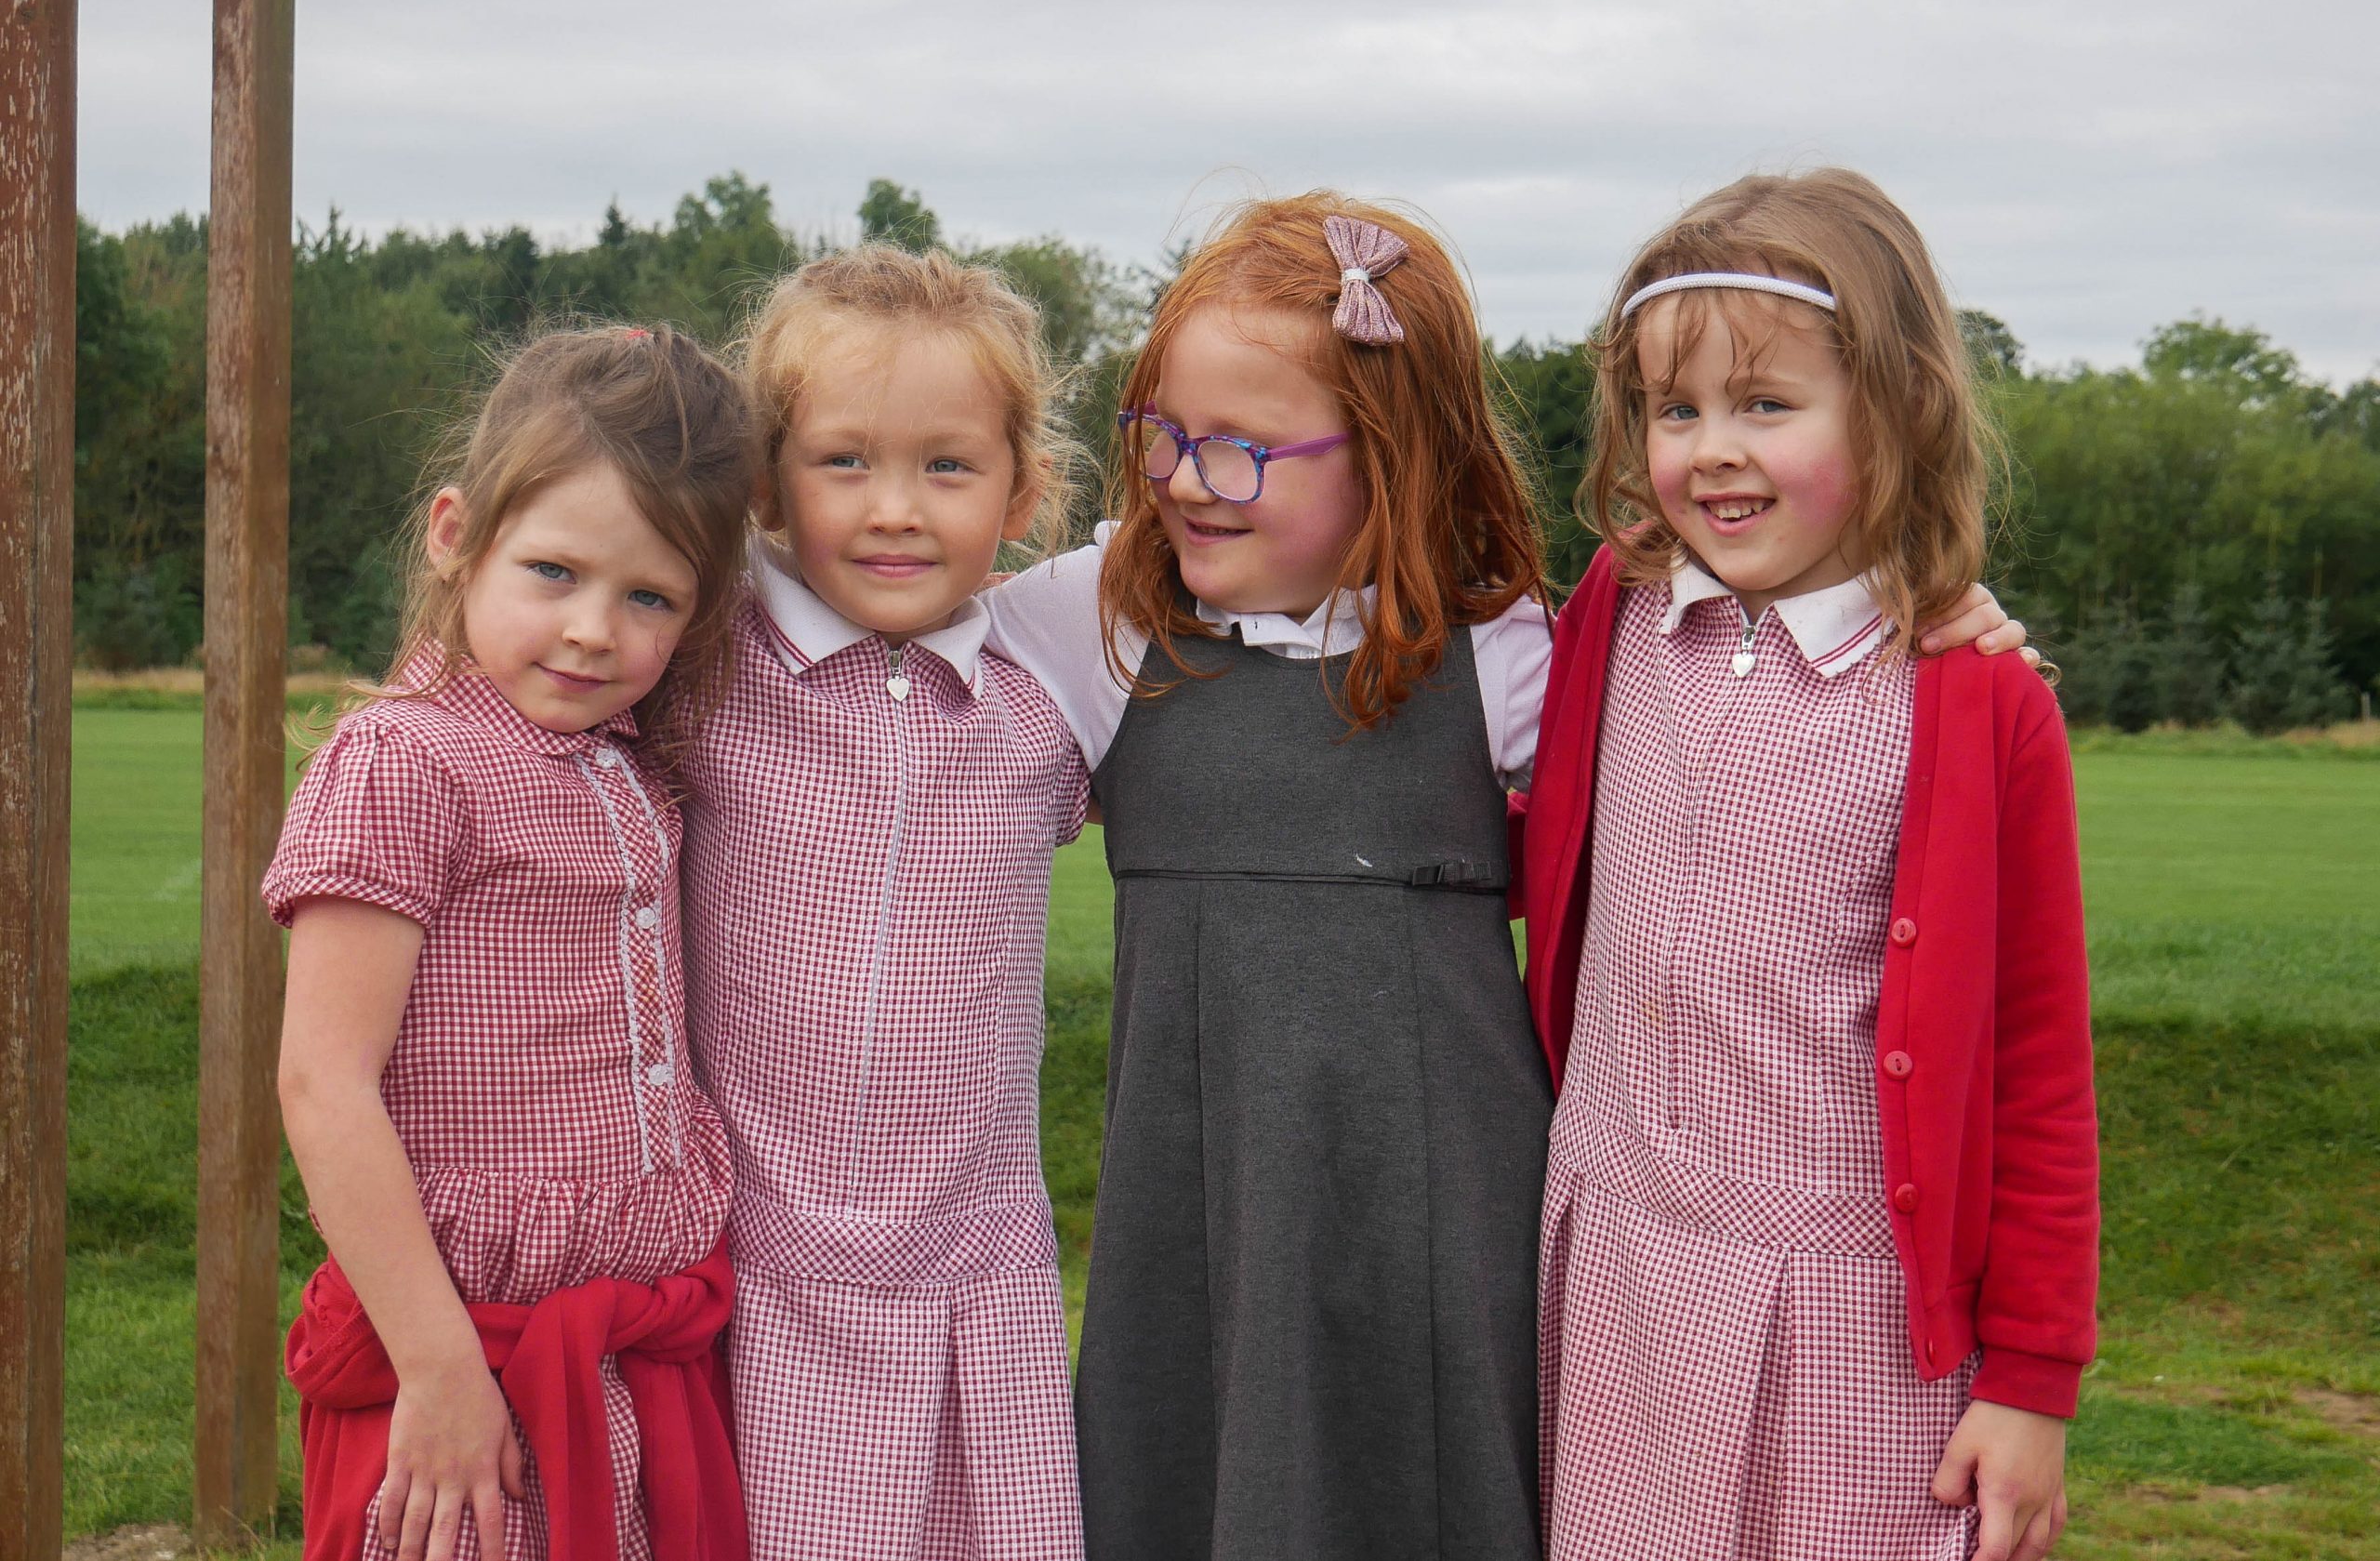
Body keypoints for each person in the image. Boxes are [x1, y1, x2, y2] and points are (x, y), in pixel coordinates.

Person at [986, 190, 2030, 1560]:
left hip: (1455, 1232)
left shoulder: (1513, 652)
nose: (1186, 477)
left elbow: (1719, 703)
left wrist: (1928, 609)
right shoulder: (1100, 623)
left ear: (1388, 455)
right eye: (1163, 434)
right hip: (1203, 1230)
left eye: (1243, 448)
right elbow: (893, 627)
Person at [1518, 169, 2098, 1561]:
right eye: (1678, 409)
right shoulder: (1614, 612)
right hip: (1618, 1272)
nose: (1714, 449)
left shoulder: (1974, 698)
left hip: (1851, 1308)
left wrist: (2031, 1381)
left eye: (1766, 404)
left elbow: (2037, 1063)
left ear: (1895, 409)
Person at [270, 325, 757, 1561]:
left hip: (627, 1344)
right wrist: (438, 1371)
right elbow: (323, 1081)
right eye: (553, 571)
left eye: (649, 596)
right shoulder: (405, 759)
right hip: (458, 1342)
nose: (595, 628)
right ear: (455, 534)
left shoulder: (629, 763)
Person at [681, 245, 1091, 1561]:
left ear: (1026, 489)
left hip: (972, 1276)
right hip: (747, 1269)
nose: (895, 509)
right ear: (763, 479)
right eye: (843, 460)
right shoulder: (703, 657)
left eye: (948, 466)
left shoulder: (1059, 682)